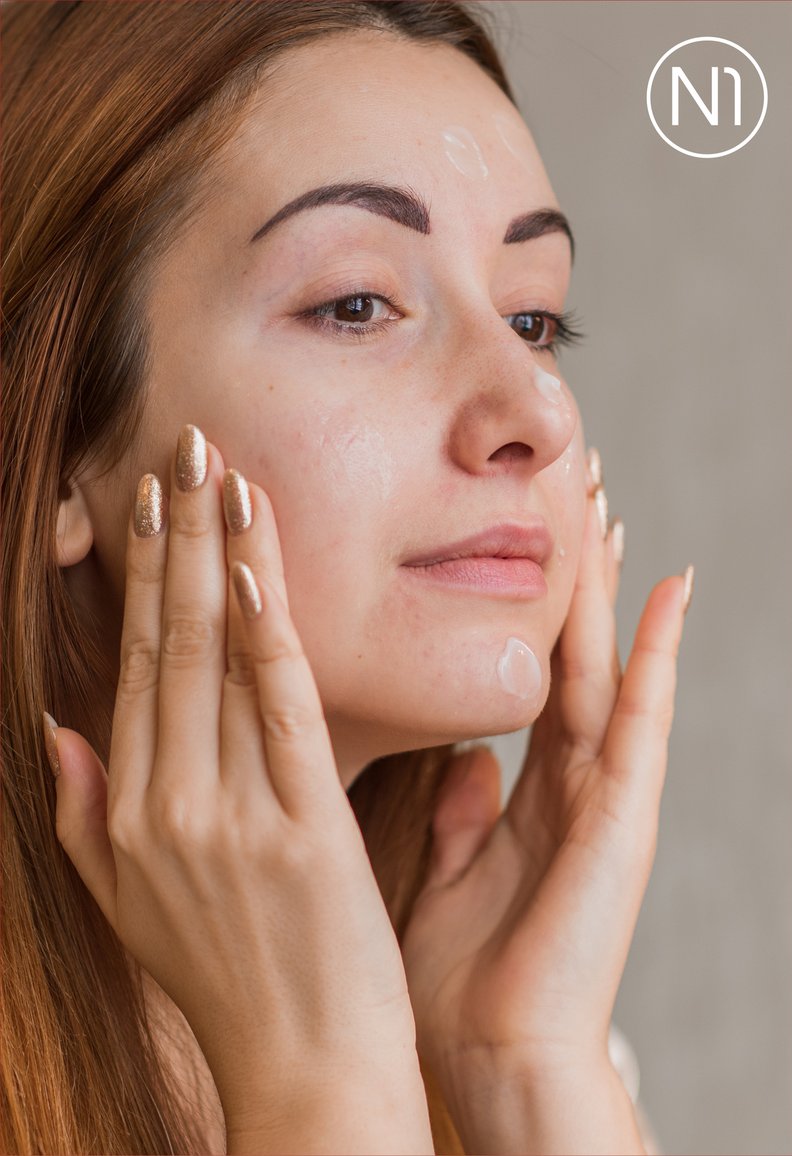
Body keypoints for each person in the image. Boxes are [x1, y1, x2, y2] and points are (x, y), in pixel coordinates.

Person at [1, 2, 692, 1152]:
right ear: (62, 446)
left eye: (533, 318)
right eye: (357, 305)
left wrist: (526, 1075)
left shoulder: (529, 1050)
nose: (536, 412)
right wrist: (321, 1092)